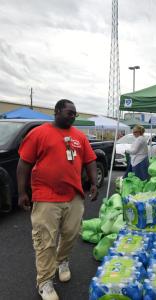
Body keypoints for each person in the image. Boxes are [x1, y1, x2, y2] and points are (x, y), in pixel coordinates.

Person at [17, 99, 98, 300]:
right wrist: (22, 192)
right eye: (69, 113)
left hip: (74, 196)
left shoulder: (79, 136)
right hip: (46, 196)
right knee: (46, 240)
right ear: (57, 111)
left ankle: (62, 261)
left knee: (71, 234)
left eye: (75, 114)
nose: (72, 116)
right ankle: (44, 281)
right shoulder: (38, 133)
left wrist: (94, 183)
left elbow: (90, 160)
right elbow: (23, 164)